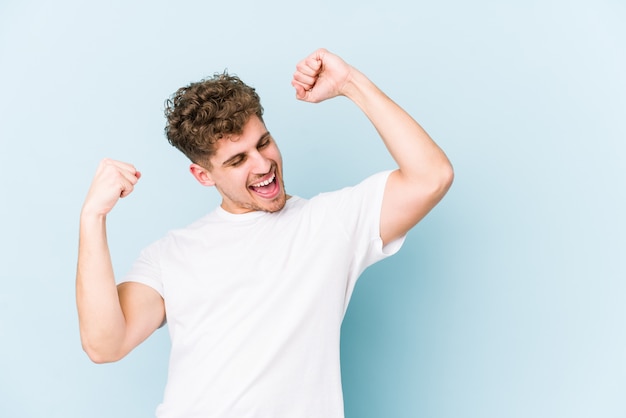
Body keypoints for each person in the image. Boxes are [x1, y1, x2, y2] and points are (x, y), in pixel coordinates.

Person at [76, 48, 454, 418]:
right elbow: (105, 344)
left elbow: (431, 177)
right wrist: (93, 217)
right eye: (238, 160)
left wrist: (351, 83)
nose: (263, 165)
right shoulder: (170, 253)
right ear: (203, 175)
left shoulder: (330, 222)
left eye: (263, 143)